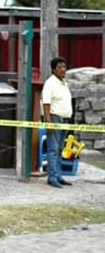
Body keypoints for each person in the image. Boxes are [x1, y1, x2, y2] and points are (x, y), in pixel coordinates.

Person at [42, 57, 73, 188]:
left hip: (65, 119)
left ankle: (59, 176)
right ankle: (52, 177)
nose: (62, 69)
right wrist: (48, 122)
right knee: (53, 149)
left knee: (60, 149)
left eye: (64, 67)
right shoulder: (50, 83)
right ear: (53, 69)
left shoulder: (64, 83)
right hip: (55, 118)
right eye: (59, 67)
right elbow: (46, 103)